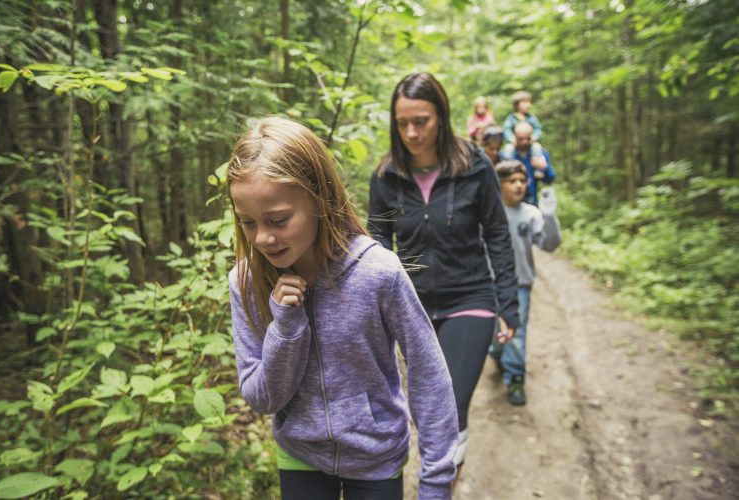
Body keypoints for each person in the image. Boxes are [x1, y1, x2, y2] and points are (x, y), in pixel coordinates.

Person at [227, 117, 459, 500]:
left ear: (320, 199)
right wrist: (285, 329)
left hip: (376, 457)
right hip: (299, 454)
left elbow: (428, 372)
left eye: (279, 220)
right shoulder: (247, 282)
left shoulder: (377, 273)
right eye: (248, 223)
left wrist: (435, 480)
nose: (264, 238)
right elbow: (261, 398)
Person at [368, 73, 520, 484]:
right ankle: (442, 470)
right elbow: (377, 246)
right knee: (424, 407)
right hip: (411, 306)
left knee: (450, 401)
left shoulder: (474, 166)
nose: (412, 132)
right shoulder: (386, 176)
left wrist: (508, 303)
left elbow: (498, 236)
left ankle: (441, 485)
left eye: (422, 121)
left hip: (470, 297)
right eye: (402, 123)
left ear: (442, 116)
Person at [491, 160, 561, 405]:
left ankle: (516, 378)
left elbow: (549, 244)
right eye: (512, 181)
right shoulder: (488, 211)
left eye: (522, 180)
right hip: (487, 283)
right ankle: (498, 355)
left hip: (520, 282)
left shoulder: (531, 213)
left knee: (516, 333)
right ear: (499, 184)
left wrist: (549, 215)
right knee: (494, 334)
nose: (518, 185)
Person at [501, 122, 556, 206]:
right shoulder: (506, 155)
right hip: (509, 204)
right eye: (521, 139)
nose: (524, 142)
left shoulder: (539, 154)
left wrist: (545, 167)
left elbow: (550, 179)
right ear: (514, 137)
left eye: (528, 138)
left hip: (531, 202)